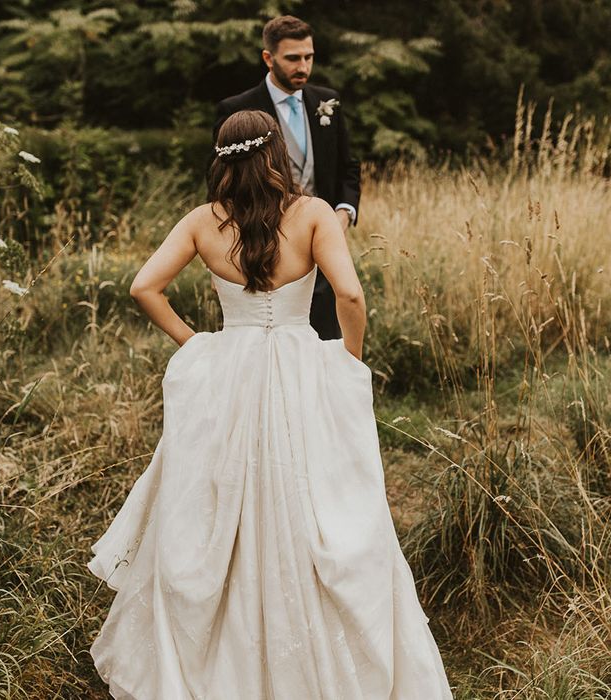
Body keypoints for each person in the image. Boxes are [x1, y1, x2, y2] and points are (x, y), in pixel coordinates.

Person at [87, 110, 453, 699]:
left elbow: (142, 287)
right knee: (315, 497)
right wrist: (347, 360)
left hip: (227, 369)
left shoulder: (204, 222)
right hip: (300, 367)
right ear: (278, 151)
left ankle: (220, 654)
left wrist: (197, 343)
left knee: (220, 499)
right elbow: (350, 294)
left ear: (223, 158)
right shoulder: (312, 215)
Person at [213, 15, 360, 341]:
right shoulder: (237, 108)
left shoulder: (327, 102)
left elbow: (348, 167)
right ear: (268, 58)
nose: (303, 66)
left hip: (322, 241)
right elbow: (223, 181)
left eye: (308, 57)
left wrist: (343, 214)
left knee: (324, 339)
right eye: (293, 58)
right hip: (263, 247)